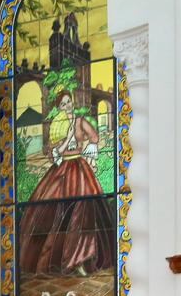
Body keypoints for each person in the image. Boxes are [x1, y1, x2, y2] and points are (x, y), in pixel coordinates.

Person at [18, 87, 116, 277]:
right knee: (56, 211)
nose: (66, 106)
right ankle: (61, 259)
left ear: (72, 101)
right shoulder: (58, 124)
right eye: (62, 104)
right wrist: (68, 136)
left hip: (79, 168)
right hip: (62, 169)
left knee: (85, 211)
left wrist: (88, 146)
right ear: (60, 107)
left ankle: (82, 259)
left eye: (68, 102)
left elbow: (94, 136)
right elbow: (55, 150)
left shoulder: (80, 121)